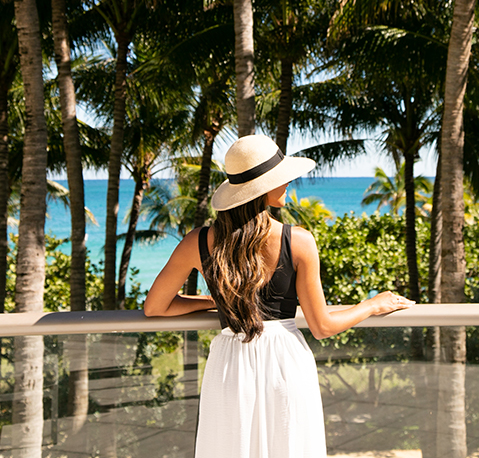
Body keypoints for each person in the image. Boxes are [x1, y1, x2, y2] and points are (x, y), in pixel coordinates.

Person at [144, 134, 415, 458]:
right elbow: (322, 326)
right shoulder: (298, 240)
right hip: (285, 361)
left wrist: (216, 300)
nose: (287, 182)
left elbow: (155, 307)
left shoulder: (198, 241)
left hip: (230, 364)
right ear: (261, 189)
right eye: (280, 177)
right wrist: (371, 305)